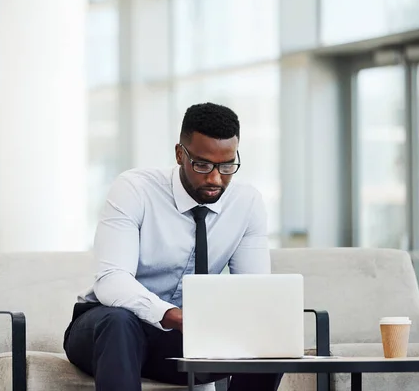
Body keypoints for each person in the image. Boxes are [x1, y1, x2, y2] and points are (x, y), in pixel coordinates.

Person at [63, 102, 283, 391]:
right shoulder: (135, 189)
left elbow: (255, 291)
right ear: (180, 154)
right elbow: (112, 280)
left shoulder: (247, 202)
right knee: (119, 323)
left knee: (269, 333)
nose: (216, 178)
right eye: (202, 165)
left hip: (183, 342)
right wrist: (173, 315)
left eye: (227, 166)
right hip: (109, 333)